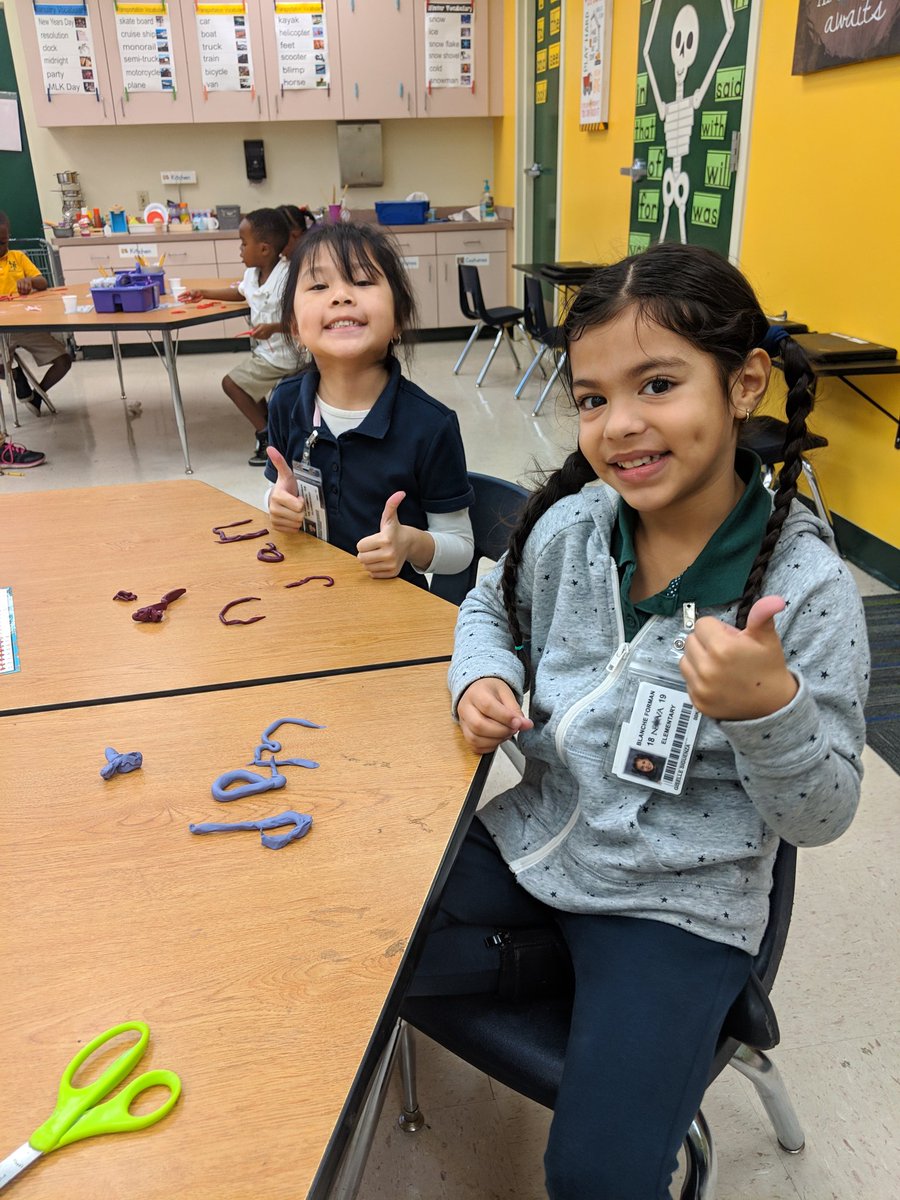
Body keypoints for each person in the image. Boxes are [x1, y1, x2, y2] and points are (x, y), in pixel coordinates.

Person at [408, 242, 870, 1200]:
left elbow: (824, 814)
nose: (620, 425)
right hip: (536, 844)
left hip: (674, 905)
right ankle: (552, 960)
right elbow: (488, 604)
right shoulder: (574, 528)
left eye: (658, 384)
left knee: (597, 1175)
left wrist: (771, 711)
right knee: (342, 949)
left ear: (744, 384)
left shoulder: (804, 588)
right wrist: (481, 674)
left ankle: (581, 977)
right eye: (592, 398)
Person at [264, 221, 474, 587]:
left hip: (392, 608)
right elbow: (273, 490)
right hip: (306, 589)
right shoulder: (286, 401)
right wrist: (274, 501)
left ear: (398, 320)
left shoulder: (429, 424)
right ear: (294, 328)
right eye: (318, 286)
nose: (341, 296)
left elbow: (461, 547)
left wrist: (410, 544)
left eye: (362, 282)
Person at [184, 207, 295, 466]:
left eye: (244, 243)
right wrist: (205, 293)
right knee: (246, 387)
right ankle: (271, 434)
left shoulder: (289, 277)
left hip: (291, 356)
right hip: (269, 355)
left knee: (232, 384)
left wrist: (274, 327)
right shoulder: (251, 275)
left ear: (264, 249)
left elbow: (303, 320)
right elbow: (241, 292)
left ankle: (266, 435)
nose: (240, 250)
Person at [0, 210, 72, 422]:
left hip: (25, 325)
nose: (0, 248)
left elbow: (42, 282)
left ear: (9, 236)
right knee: (3, 364)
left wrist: (29, 281)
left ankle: (37, 396)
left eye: (3, 242)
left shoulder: (18, 257)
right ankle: (16, 375)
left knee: (63, 361)